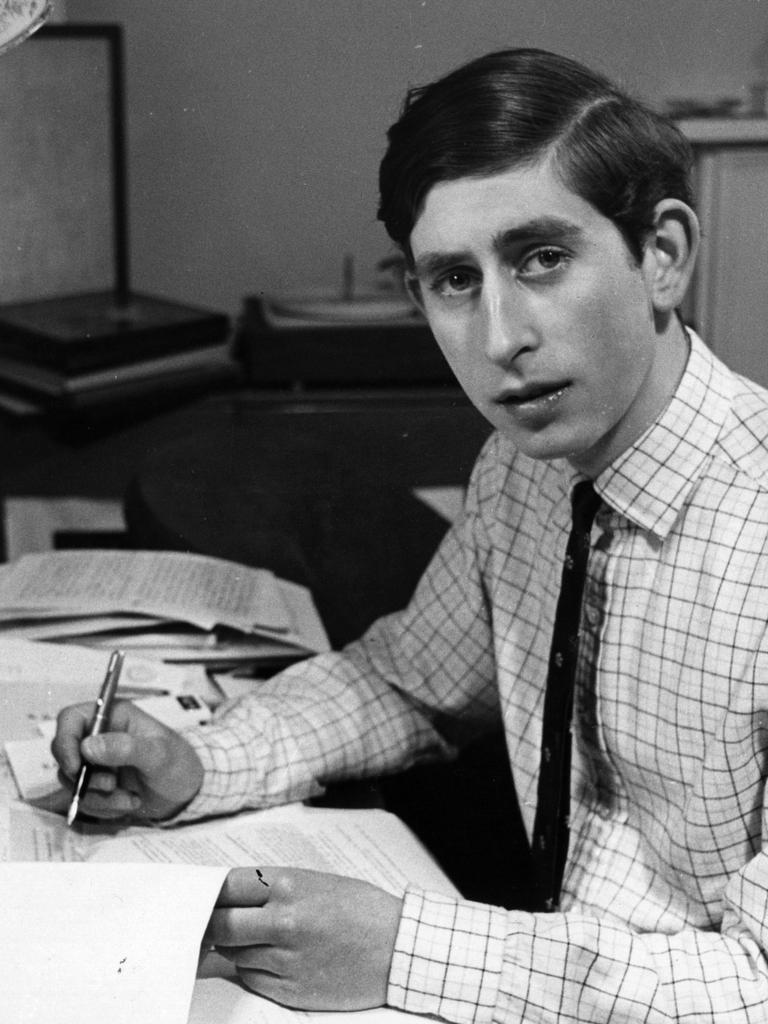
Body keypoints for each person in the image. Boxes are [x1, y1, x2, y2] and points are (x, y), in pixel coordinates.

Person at [52, 48, 768, 1023]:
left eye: (542, 258)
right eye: (453, 281)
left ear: (664, 256)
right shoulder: (522, 467)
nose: (500, 337)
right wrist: (199, 763)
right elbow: (407, 679)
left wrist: (409, 953)